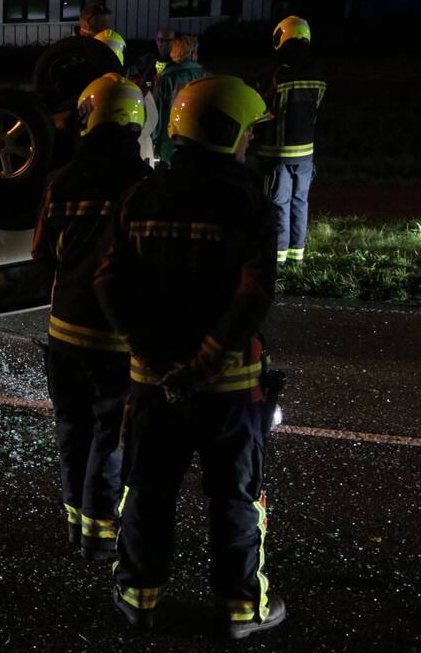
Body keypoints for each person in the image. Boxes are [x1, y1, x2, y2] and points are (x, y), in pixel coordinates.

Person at [94, 75, 284, 640]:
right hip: (229, 390)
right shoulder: (251, 201)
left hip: (154, 386)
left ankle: (137, 598)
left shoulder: (142, 195)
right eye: (247, 131)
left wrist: (153, 357)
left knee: (148, 492)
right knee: (235, 498)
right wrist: (202, 364)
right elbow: (254, 297)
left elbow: (108, 283)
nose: (250, 142)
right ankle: (240, 611)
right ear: (227, 131)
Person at [32, 73, 151, 561]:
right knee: (110, 433)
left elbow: (41, 254)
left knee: (71, 427)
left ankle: (74, 524)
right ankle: (101, 538)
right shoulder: (146, 186)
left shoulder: (60, 181)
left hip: (64, 331)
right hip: (117, 337)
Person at [256, 16, 325, 265]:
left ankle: (278, 257)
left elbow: (262, 113)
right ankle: (298, 255)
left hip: (279, 153)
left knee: (279, 203)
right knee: (300, 202)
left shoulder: (275, 78)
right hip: (306, 153)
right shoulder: (318, 76)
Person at [152, 34, 206, 165]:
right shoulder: (205, 77)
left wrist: (154, 139)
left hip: (170, 141)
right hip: (199, 139)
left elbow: (157, 112)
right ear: (193, 52)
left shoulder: (166, 79)